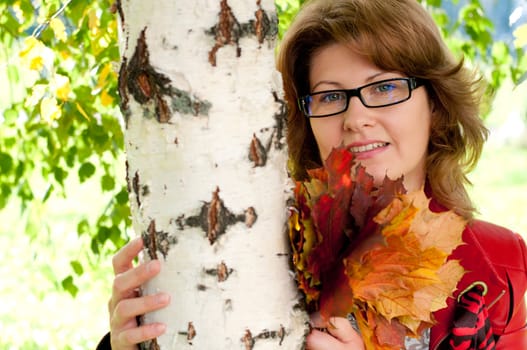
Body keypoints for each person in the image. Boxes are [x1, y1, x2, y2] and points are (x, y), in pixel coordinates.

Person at [99, 0, 527, 349]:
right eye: (331, 96)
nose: (356, 117)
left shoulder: (502, 265)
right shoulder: (248, 250)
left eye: (384, 87)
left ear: (434, 105)